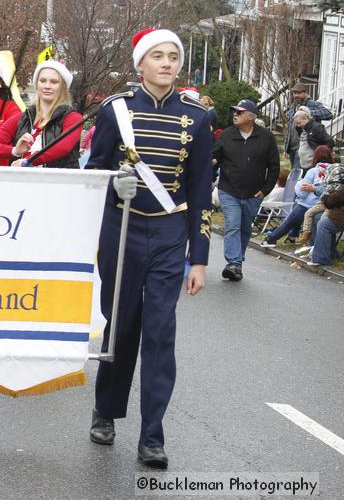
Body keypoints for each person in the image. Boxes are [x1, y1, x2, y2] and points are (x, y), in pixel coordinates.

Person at [85, 28, 212, 470]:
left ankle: (152, 434)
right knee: (120, 327)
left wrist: (198, 258)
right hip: (121, 231)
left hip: (169, 233)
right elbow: (94, 173)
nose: (166, 63)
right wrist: (110, 187)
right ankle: (106, 411)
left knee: (161, 335)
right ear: (140, 64)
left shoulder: (197, 118)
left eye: (172, 56)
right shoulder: (115, 111)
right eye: (156, 56)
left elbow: (199, 191)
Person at [211, 99, 280, 280]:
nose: (235, 114)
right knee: (233, 225)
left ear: (251, 117)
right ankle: (233, 262)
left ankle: (237, 263)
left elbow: (274, 167)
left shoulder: (266, 137)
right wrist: (211, 162)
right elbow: (214, 156)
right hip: (228, 190)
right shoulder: (226, 135)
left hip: (254, 193)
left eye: (239, 112)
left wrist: (265, 190)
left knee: (244, 228)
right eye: (235, 111)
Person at [0, 60, 83, 168]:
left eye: (54, 82)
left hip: (58, 182)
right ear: (37, 85)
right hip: (22, 182)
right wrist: (15, 151)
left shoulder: (73, 118)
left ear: (63, 87)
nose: (47, 86)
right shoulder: (22, 118)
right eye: (42, 81)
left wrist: (28, 161)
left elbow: (63, 147)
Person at [260, 145, 335, 249]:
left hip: (308, 204)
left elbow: (302, 193)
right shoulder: (334, 171)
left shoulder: (313, 171)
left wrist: (298, 185)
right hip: (325, 204)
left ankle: (271, 239)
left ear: (315, 157)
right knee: (297, 209)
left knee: (290, 220)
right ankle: (292, 236)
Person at [284, 82, 332, 169]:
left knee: (299, 175)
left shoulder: (312, 104)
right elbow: (290, 128)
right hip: (292, 148)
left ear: (305, 93)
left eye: (299, 93)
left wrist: (308, 113)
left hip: (306, 147)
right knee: (295, 173)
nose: (296, 95)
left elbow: (328, 113)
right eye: (294, 93)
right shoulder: (293, 106)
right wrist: (286, 148)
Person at [289, 106, 333, 173]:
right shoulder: (302, 129)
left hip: (313, 165)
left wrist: (323, 156)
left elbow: (329, 140)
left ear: (306, 119)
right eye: (297, 123)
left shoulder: (316, 128)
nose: (298, 125)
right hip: (303, 164)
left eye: (299, 123)